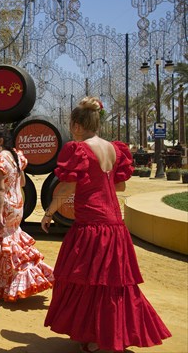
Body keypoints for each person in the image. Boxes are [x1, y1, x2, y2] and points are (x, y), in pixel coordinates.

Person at [41, 97, 170, 353]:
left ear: (77, 125)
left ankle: (94, 337)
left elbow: (68, 186)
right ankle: (108, 334)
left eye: (71, 125)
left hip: (91, 223)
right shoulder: (114, 149)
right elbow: (119, 185)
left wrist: (49, 212)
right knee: (113, 282)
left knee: (86, 279)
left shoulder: (78, 149)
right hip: (115, 223)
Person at [0, 124, 54, 302]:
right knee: (12, 241)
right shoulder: (15, 156)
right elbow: (22, 182)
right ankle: (13, 281)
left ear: (0, 140)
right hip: (17, 204)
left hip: (3, 206)